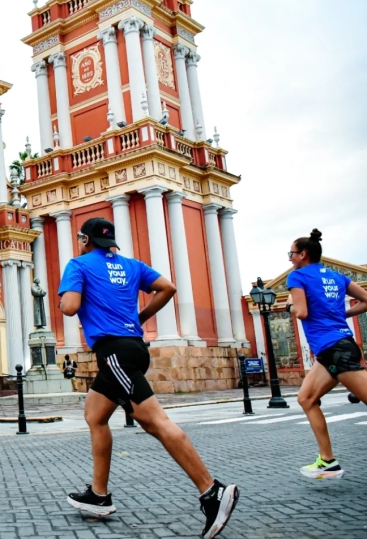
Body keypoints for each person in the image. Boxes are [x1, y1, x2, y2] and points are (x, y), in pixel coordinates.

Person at [58, 217, 238, 539]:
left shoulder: (78, 264)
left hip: (113, 353)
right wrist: (139, 317)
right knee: (94, 414)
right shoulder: (132, 265)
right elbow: (168, 287)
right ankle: (99, 495)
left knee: (154, 420)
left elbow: (69, 308)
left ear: (84, 239)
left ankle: (212, 491)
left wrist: (65, 298)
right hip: (134, 348)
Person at [286, 229, 367, 479]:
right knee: (306, 399)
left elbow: (301, 312)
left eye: (292, 253)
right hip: (335, 348)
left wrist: (289, 305)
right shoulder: (336, 276)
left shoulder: (297, 276)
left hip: (334, 349)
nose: (290, 258)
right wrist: (342, 315)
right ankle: (328, 461)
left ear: (303, 254)